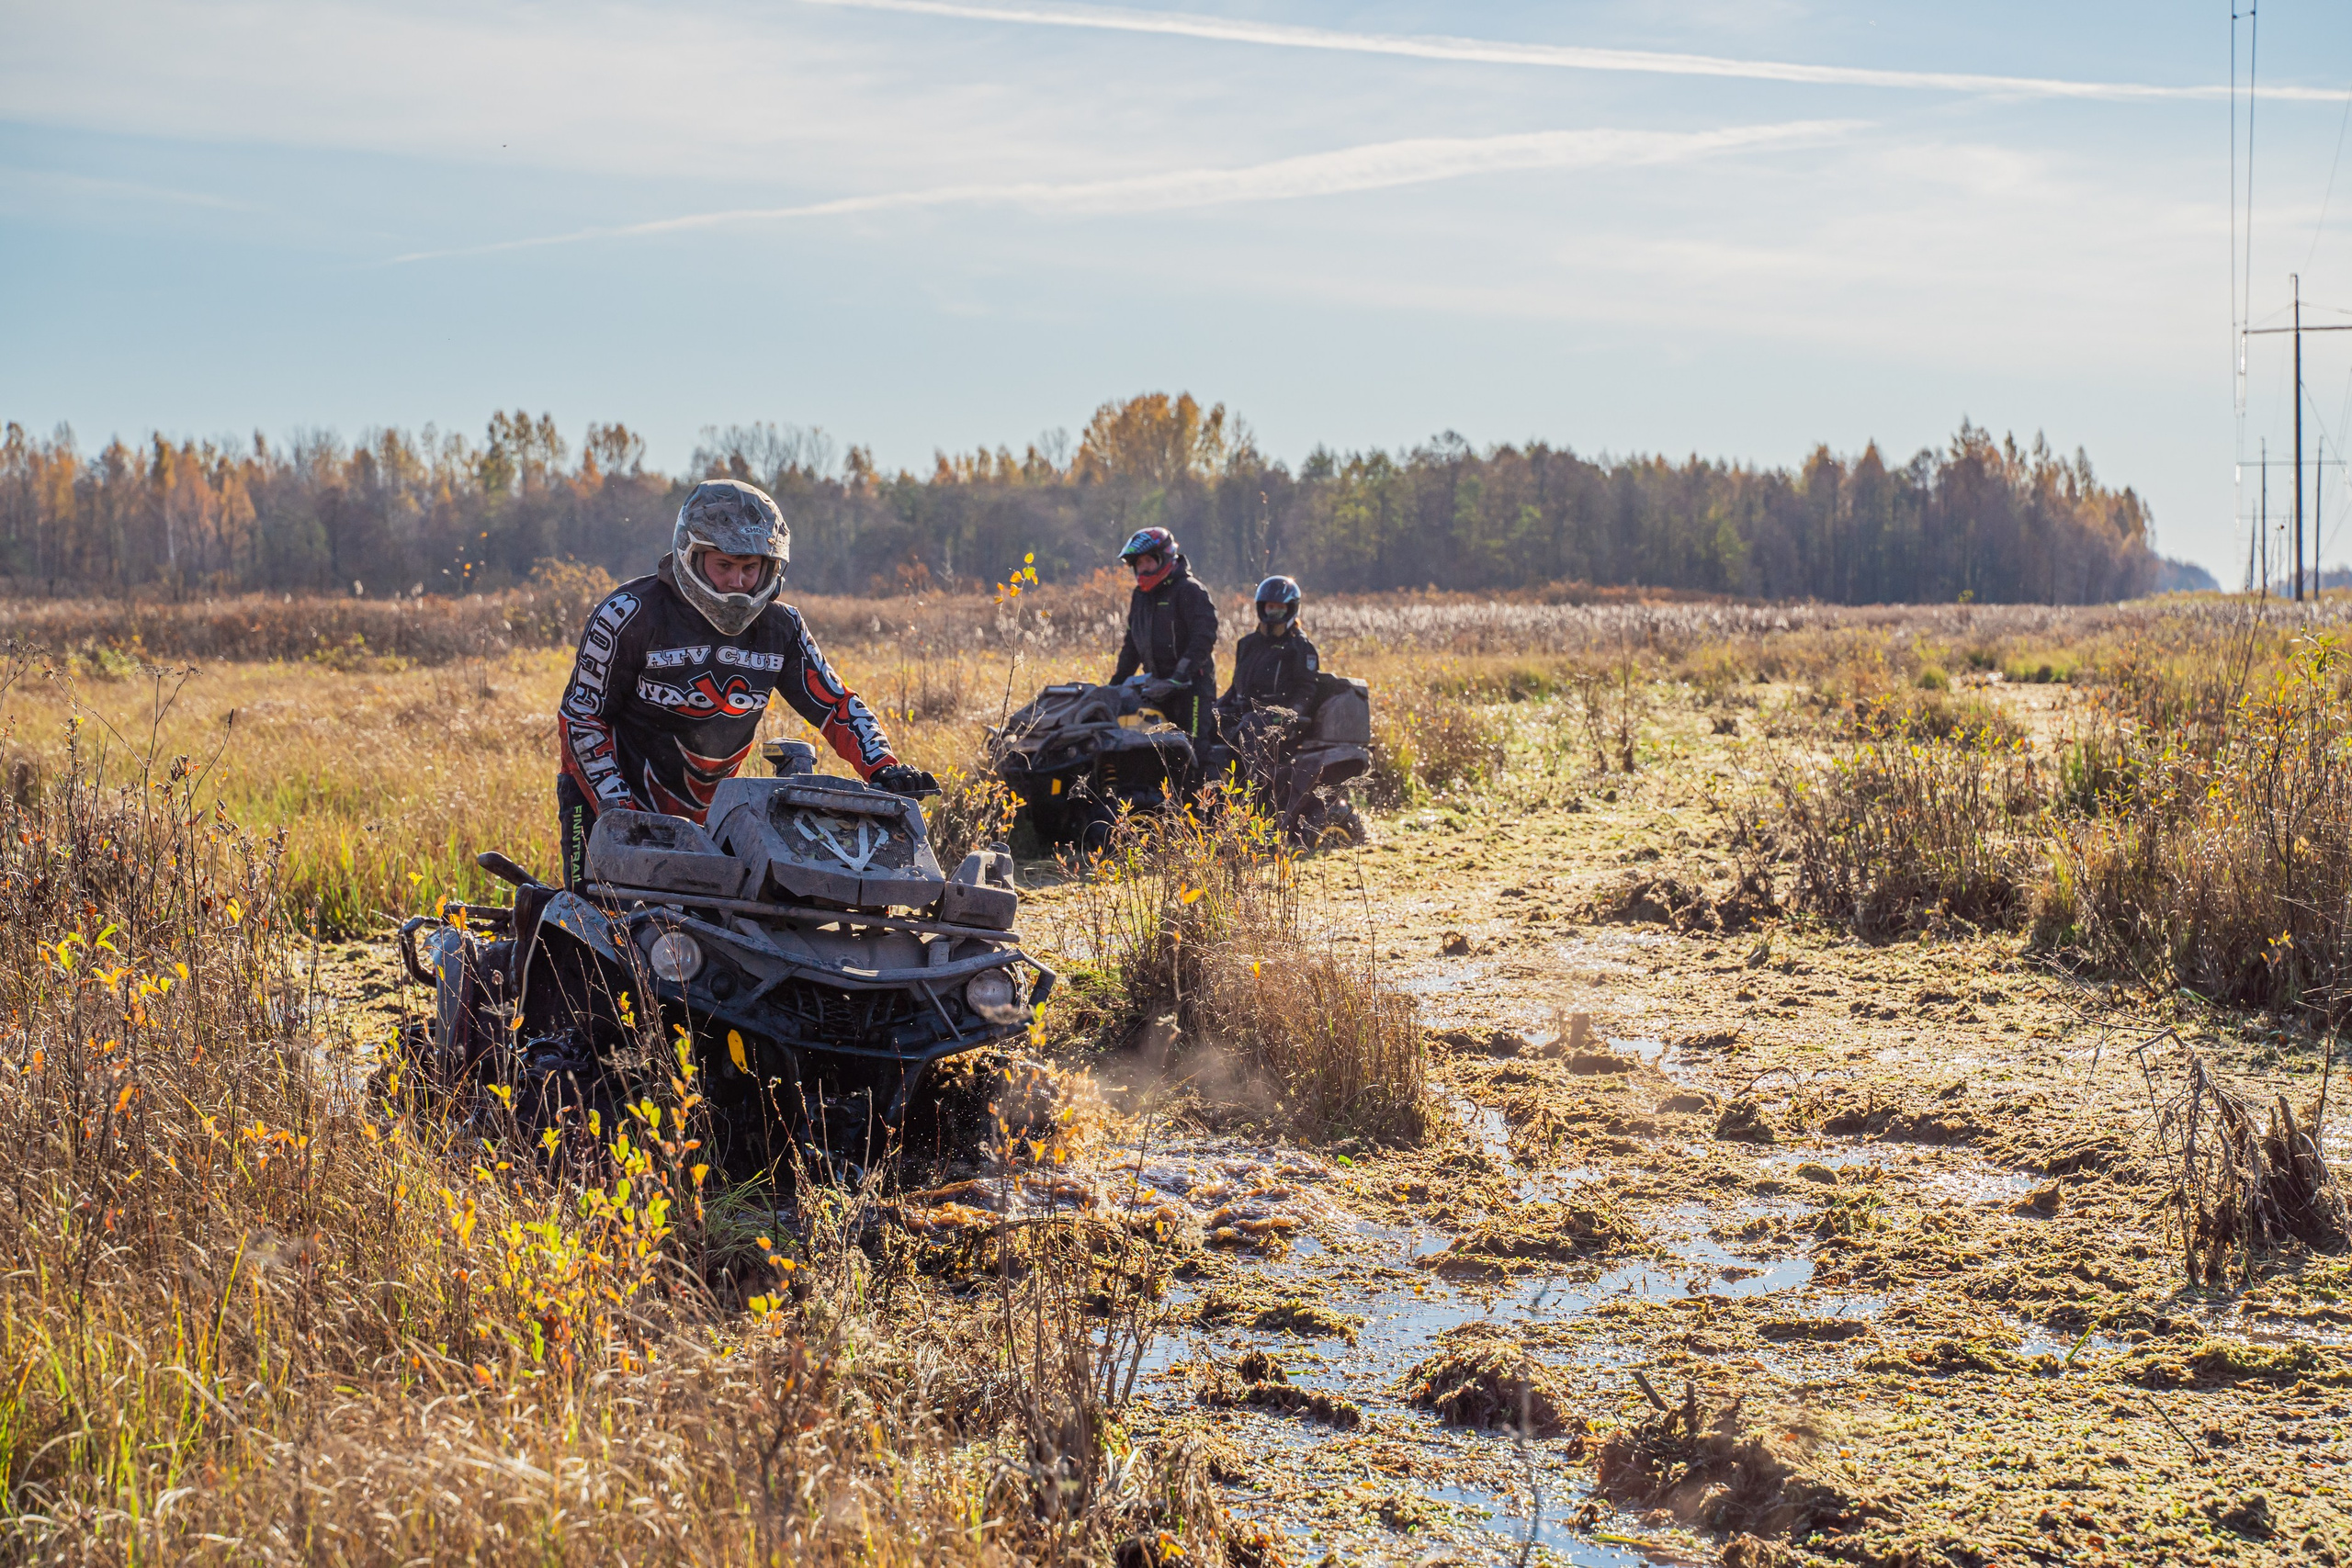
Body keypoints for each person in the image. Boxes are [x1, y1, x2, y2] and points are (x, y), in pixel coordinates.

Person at [556, 478, 929, 889]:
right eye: (725, 566)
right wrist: (617, 807)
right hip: (607, 798)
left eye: (750, 568)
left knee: (722, 926)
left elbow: (835, 705)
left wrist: (884, 768)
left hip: (718, 809)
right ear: (691, 556)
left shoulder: (781, 625)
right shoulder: (628, 613)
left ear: (771, 567)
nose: (738, 582)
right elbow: (582, 717)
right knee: (603, 930)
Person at [1109, 525, 1219, 742]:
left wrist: (1179, 677)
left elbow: (1203, 639)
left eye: (1149, 561)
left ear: (1165, 558)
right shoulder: (1140, 596)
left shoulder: (1190, 590)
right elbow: (1132, 645)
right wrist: (1116, 685)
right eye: (1139, 564)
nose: (1144, 568)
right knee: (1148, 747)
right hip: (1154, 687)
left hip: (1192, 687)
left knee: (1193, 748)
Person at [1219, 575, 1322, 787]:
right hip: (1244, 710)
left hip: (1277, 716)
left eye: (1280, 608)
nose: (1273, 612)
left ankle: (1249, 793)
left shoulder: (1300, 647)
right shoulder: (1247, 644)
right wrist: (1213, 709)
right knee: (1201, 723)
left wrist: (1291, 716)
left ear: (1291, 609)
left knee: (1250, 724)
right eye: (1270, 606)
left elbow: (1307, 688)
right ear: (1261, 608)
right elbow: (1235, 687)